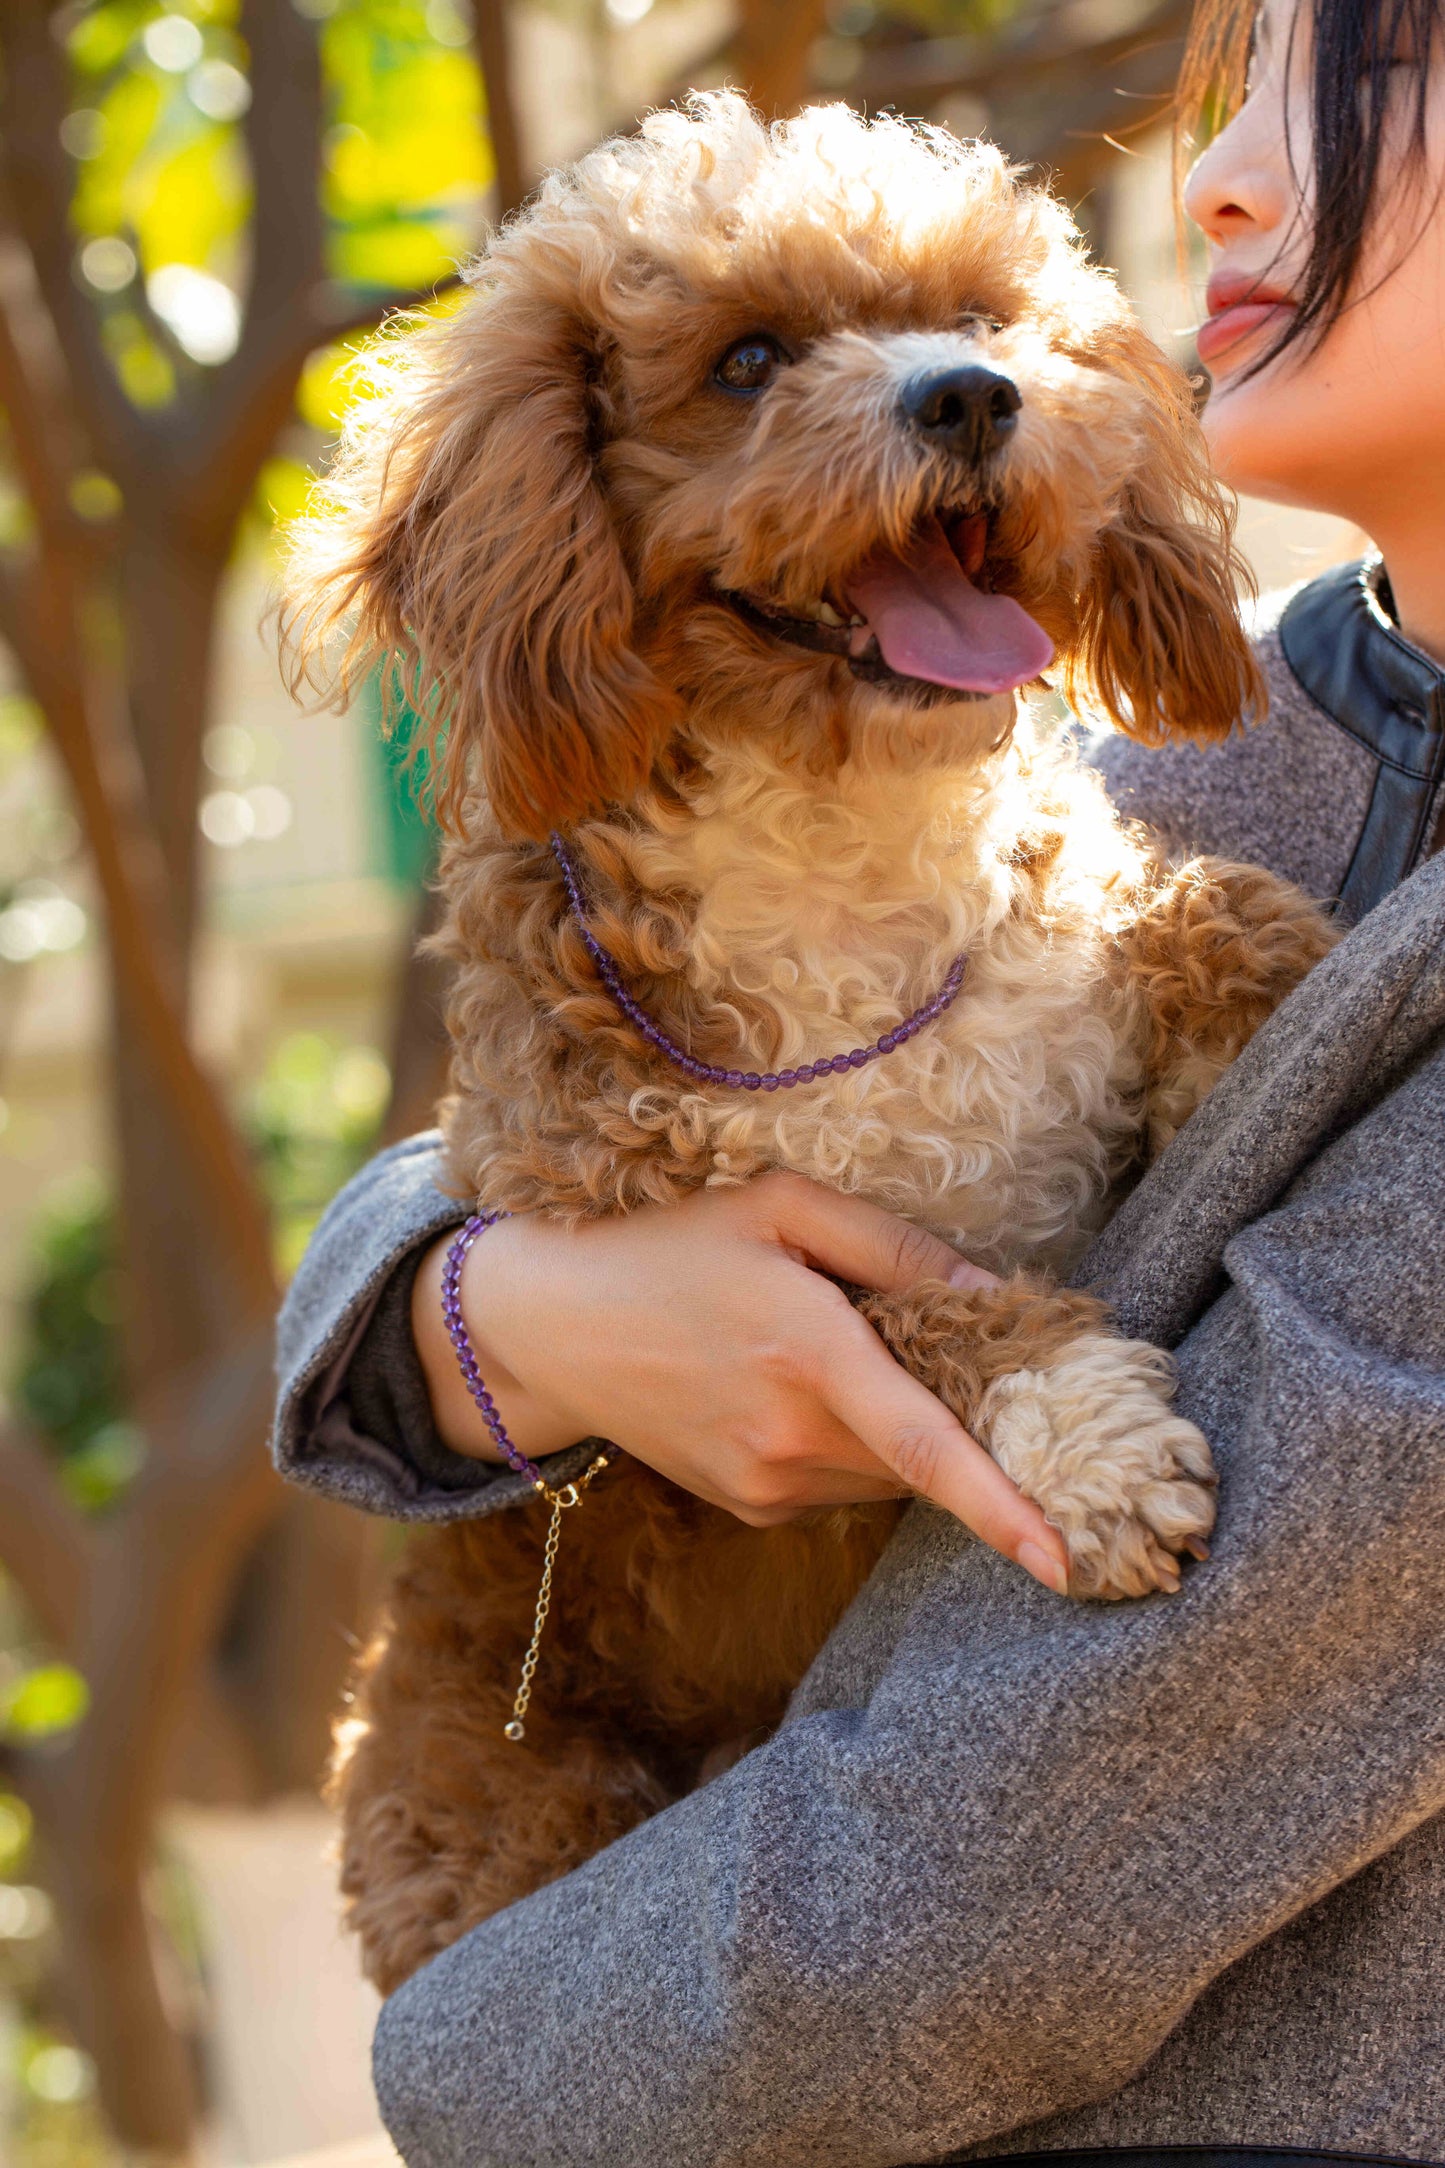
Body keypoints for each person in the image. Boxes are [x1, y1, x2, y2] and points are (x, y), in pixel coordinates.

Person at [271, 0, 1445, 2160]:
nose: (1223, 182)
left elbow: (1018, 1859)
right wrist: (484, 1314)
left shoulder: (1141, 817)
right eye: (1227, 86)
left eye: (1366, 76)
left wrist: (455, 2078)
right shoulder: (1244, 749)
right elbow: (473, 1181)